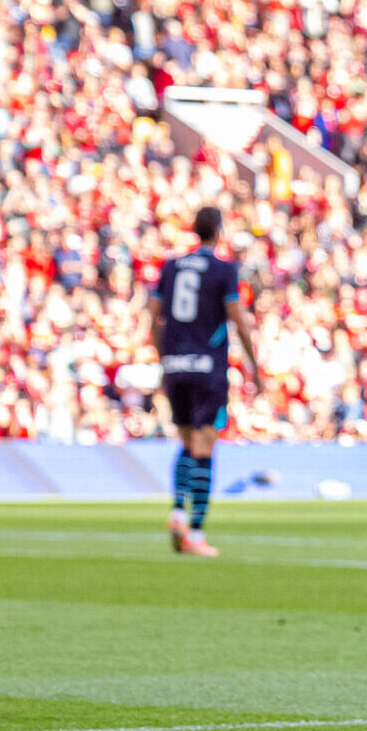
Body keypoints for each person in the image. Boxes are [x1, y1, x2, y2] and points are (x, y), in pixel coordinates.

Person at [145, 206, 261, 558]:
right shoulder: (224, 269)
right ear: (219, 231)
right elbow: (236, 319)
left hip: (176, 362)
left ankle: (178, 510)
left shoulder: (171, 266)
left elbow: (153, 315)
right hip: (208, 365)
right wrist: (254, 364)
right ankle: (195, 532)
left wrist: (164, 355)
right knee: (205, 445)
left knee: (184, 440)